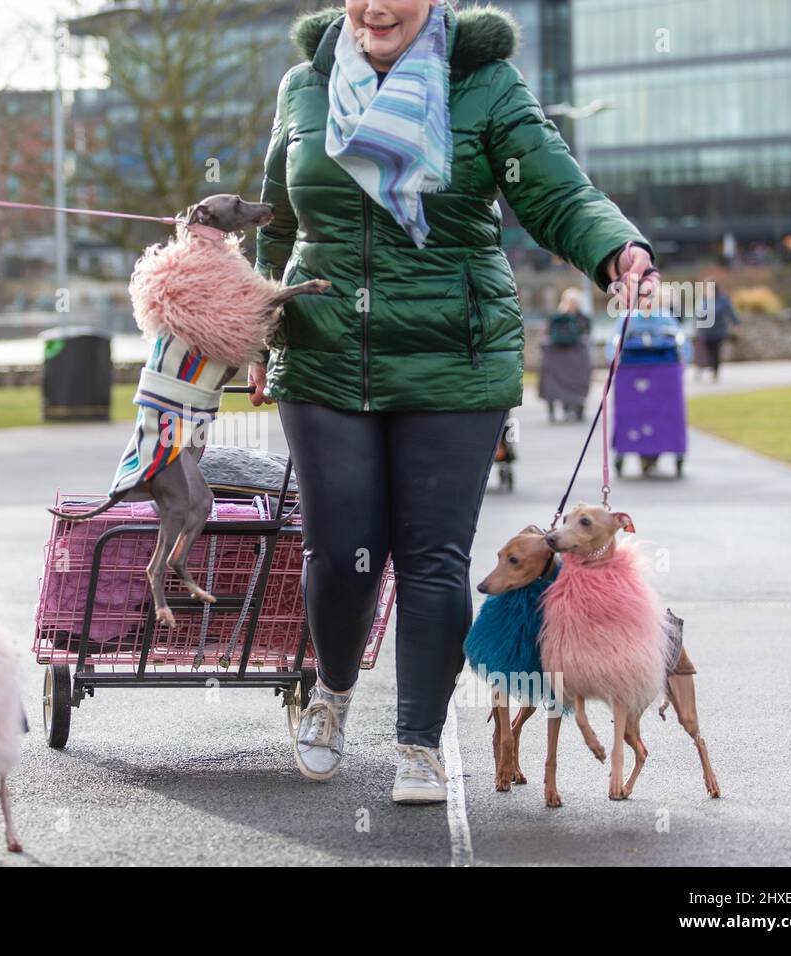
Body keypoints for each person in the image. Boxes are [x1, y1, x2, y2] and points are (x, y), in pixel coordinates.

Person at [250, 0, 658, 803]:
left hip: (454, 355)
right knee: (342, 550)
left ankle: (418, 741)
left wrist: (618, 247)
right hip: (325, 349)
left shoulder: (485, 85)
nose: (374, 8)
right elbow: (278, 220)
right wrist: (259, 325)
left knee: (433, 556)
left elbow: (554, 191)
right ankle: (331, 691)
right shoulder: (305, 85)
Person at [539, 287, 593, 422]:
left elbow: (587, 334)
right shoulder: (556, 318)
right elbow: (546, 333)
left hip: (576, 359)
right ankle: (558, 408)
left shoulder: (583, 318)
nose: (572, 305)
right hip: (557, 358)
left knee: (577, 379)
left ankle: (575, 408)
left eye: (575, 301)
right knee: (552, 378)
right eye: (570, 301)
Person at [694, 281, 739, 382]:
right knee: (706, 351)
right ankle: (705, 369)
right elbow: (698, 314)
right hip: (705, 331)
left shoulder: (722, 300)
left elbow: (730, 312)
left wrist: (736, 324)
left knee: (716, 351)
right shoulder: (703, 300)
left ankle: (715, 371)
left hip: (719, 330)